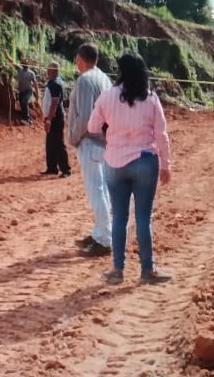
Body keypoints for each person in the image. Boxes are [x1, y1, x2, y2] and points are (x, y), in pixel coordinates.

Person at [87, 52, 172, 285]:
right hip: (145, 161)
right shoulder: (152, 98)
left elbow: (92, 126)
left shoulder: (108, 96)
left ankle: (117, 270)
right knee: (143, 218)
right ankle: (147, 270)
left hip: (115, 162)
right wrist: (166, 164)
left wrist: (110, 125)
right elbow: (161, 135)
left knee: (119, 218)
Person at [68, 43, 113, 256]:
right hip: (105, 142)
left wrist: (74, 137)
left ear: (80, 59)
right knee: (103, 189)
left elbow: (85, 116)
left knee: (96, 191)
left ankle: (104, 239)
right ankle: (101, 233)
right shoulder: (105, 79)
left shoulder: (85, 80)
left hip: (90, 141)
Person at [41, 61, 72, 177]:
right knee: (50, 143)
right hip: (52, 117)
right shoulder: (53, 82)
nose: (47, 72)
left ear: (53, 71)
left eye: (48, 70)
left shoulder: (55, 84)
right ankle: (52, 167)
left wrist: (49, 119)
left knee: (58, 143)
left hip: (55, 118)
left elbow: (54, 102)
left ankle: (66, 169)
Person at [2, 48, 38, 125]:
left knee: (25, 102)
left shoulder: (31, 73)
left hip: (28, 91)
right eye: (23, 62)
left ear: (28, 65)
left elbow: (35, 84)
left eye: (26, 63)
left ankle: (27, 119)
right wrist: (6, 55)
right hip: (21, 91)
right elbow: (12, 62)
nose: (24, 64)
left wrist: (37, 95)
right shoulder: (19, 69)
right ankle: (25, 120)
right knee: (22, 104)